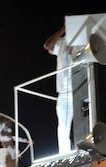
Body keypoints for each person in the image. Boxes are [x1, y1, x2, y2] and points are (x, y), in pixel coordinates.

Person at [45, 23, 73, 153]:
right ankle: (65, 154)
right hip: (64, 92)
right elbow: (48, 45)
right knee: (63, 125)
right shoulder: (61, 42)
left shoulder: (85, 42)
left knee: (85, 123)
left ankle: (88, 152)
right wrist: (63, 29)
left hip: (81, 89)